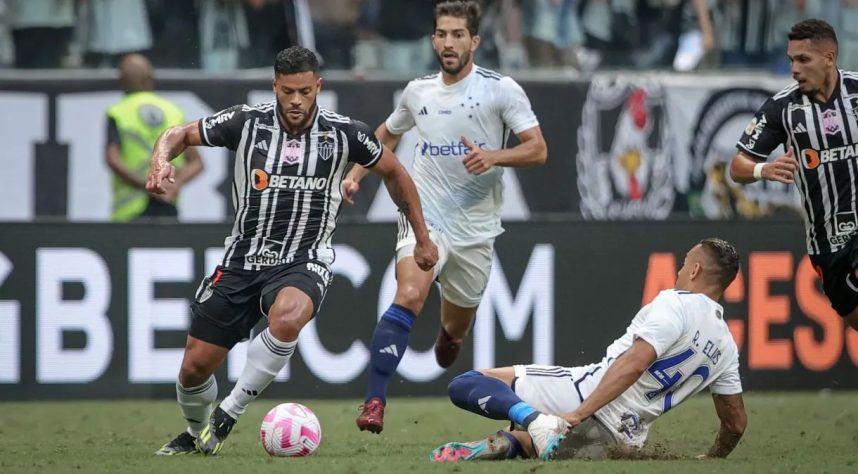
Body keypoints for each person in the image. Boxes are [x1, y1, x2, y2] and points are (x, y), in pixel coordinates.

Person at [147, 46, 438, 456]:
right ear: (275, 87)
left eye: (305, 90)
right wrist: (159, 161)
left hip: (305, 257)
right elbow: (178, 133)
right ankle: (196, 434)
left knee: (288, 315)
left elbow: (396, 173)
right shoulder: (245, 122)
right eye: (288, 91)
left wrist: (422, 238)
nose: (297, 101)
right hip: (241, 261)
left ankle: (229, 413)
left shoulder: (346, 133)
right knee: (193, 370)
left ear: (318, 86)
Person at [345, 0, 548, 434]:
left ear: (474, 41)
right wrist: (356, 173)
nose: (449, 43)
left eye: (458, 35)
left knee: (453, 337)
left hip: (476, 229)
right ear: (433, 39)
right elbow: (387, 133)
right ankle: (375, 402)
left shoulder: (501, 89)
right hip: (425, 218)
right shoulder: (418, 92)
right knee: (409, 294)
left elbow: (538, 148)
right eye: (442, 34)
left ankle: (448, 333)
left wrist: (494, 156)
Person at [430, 238, 746, 462]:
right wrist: (713, 457)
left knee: (467, 384)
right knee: (533, 446)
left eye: (684, 265)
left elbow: (634, 364)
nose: (678, 271)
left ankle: (535, 421)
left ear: (694, 272)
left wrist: (575, 415)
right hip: (623, 439)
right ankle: (510, 442)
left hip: (583, 394)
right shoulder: (726, 345)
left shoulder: (674, 302)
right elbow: (735, 423)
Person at [730, 19, 858, 331]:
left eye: (803, 59)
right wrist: (764, 169)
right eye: (791, 60)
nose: (794, 69)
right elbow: (737, 167)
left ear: (829, 58)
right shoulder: (782, 108)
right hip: (828, 245)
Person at [106, 54, 203, 222]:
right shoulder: (173, 111)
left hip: (130, 211)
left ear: (121, 81)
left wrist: (146, 185)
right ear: (151, 78)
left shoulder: (118, 112)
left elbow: (112, 159)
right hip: (167, 205)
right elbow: (196, 162)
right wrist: (174, 186)